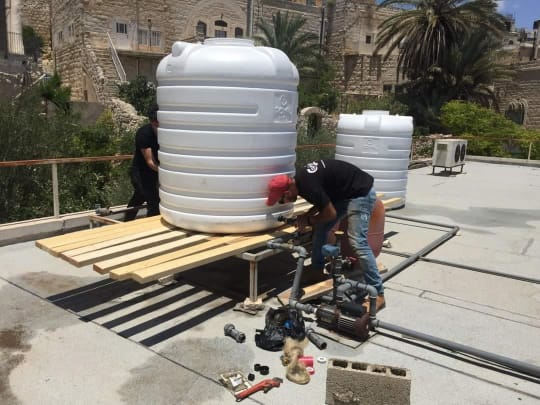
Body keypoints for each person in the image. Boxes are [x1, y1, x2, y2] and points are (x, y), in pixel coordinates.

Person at [266, 159, 385, 311]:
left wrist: (308, 220)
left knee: (358, 242)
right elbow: (322, 202)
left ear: (288, 191)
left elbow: (330, 213)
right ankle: (317, 271)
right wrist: (307, 215)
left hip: (360, 193)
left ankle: (379, 294)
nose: (284, 202)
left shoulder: (308, 185)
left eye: (282, 199)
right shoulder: (302, 181)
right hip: (343, 194)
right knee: (321, 227)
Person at [124, 105, 160, 221]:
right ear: (153, 122)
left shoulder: (166, 133)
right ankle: (148, 227)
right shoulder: (144, 134)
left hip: (154, 172)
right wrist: (168, 173)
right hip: (140, 172)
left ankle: (127, 221)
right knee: (153, 200)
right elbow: (150, 162)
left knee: (140, 196)